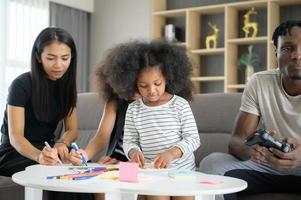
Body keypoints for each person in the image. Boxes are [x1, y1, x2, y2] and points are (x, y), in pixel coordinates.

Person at [199, 20, 301, 200]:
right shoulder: (259, 82)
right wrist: (251, 151)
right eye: (287, 48)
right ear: (276, 52)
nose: (297, 55)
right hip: (268, 165)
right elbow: (237, 140)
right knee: (212, 164)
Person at [119, 40, 200, 200]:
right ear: (134, 84)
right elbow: (129, 140)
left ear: (168, 78)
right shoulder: (133, 109)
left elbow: (193, 139)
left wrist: (171, 153)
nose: (151, 90)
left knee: (184, 196)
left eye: (157, 83)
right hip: (151, 173)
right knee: (157, 196)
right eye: (143, 86)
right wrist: (133, 151)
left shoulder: (180, 105)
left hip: (181, 172)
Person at [0, 27, 78, 176]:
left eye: (64, 58)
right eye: (50, 58)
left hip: (47, 148)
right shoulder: (21, 85)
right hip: (14, 151)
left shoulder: (66, 86)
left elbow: (72, 130)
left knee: (77, 170)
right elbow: (16, 137)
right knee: (53, 171)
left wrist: (62, 142)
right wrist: (38, 156)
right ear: (38, 57)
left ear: (71, 57)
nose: (58, 65)